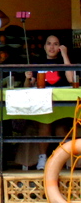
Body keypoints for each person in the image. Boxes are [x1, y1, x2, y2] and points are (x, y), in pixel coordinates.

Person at [24, 34, 75, 170]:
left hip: (61, 106)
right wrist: (27, 78)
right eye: (49, 43)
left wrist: (64, 55)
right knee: (45, 124)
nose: (52, 47)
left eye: (56, 44)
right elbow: (28, 86)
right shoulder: (38, 63)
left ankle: (63, 159)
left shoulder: (64, 62)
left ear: (60, 47)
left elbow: (71, 79)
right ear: (45, 46)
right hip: (42, 105)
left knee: (61, 128)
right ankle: (42, 158)